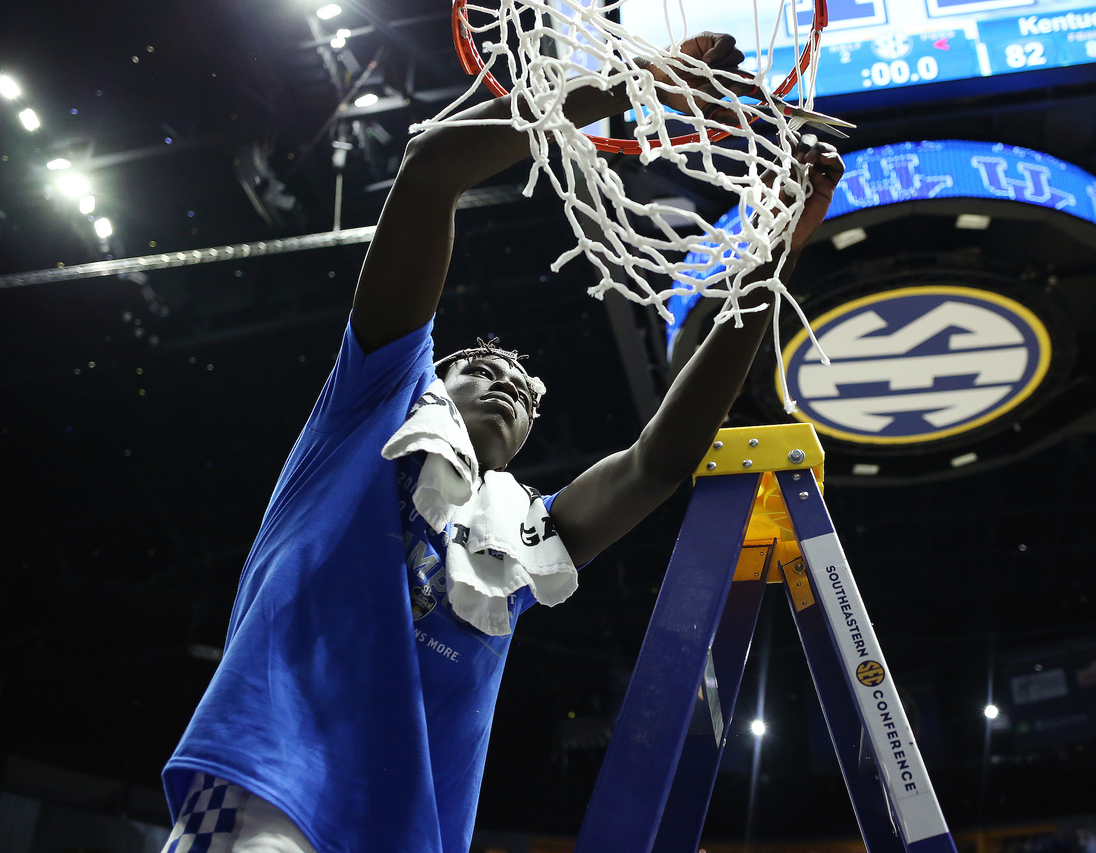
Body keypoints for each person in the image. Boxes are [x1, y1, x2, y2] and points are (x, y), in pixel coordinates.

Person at [160, 32, 844, 853]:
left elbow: (659, 462)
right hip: (271, 794)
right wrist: (632, 85)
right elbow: (431, 169)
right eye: (484, 366)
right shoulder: (372, 404)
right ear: (432, 377)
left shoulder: (524, 533)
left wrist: (772, 260)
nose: (514, 381)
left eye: (529, 392)